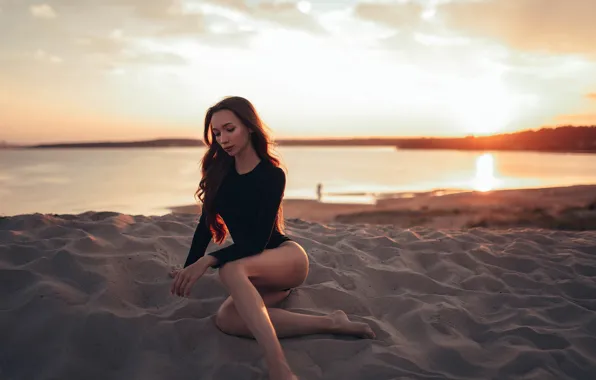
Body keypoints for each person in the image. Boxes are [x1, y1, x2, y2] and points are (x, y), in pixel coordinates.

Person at [170, 96, 375, 380]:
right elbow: (206, 225)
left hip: (285, 258)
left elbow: (255, 243)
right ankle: (331, 322)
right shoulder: (219, 173)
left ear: (250, 127)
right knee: (227, 319)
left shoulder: (271, 175)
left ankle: (278, 366)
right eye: (216, 133)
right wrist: (189, 266)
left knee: (230, 267)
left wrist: (208, 260)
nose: (223, 139)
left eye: (230, 129)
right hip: (256, 271)